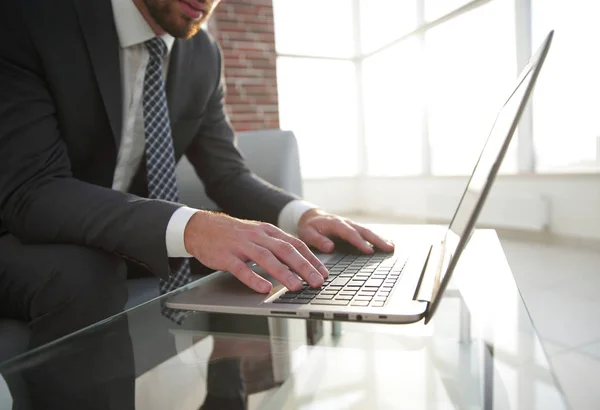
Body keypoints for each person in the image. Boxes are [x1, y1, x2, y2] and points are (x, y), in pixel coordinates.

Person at [0, 0, 394, 405]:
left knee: (250, 252)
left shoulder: (202, 54)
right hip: (17, 231)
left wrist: (304, 215)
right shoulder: (32, 19)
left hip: (114, 230)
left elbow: (227, 174)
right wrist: (192, 227)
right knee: (83, 271)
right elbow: (33, 189)